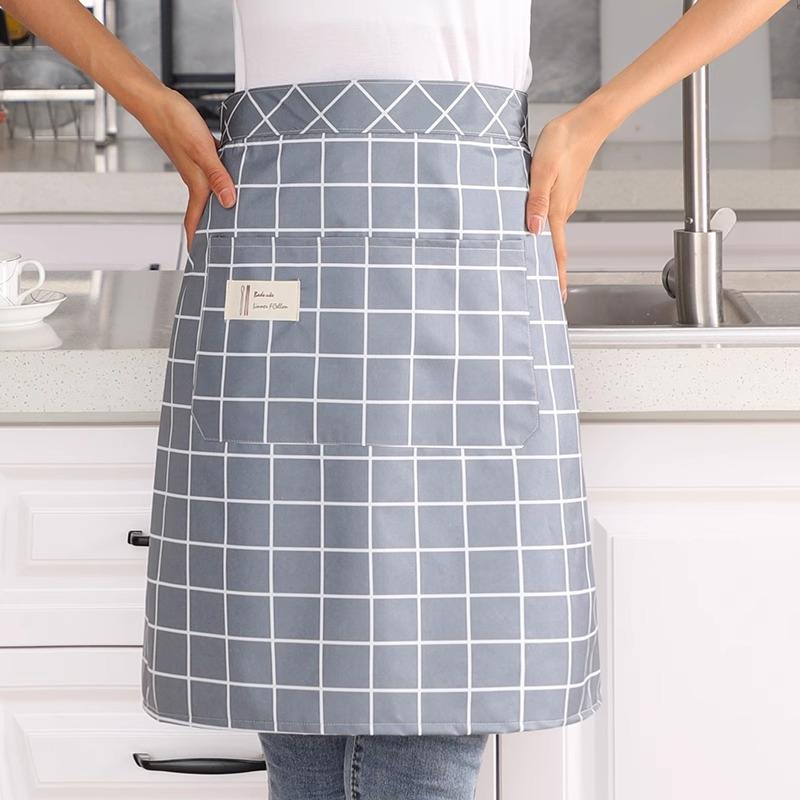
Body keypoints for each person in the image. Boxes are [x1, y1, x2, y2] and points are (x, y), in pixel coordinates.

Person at [5, 1, 789, 798]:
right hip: (277, 212)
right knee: (292, 686)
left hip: (467, 223)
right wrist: (153, 102)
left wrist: (596, 118)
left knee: (439, 712)